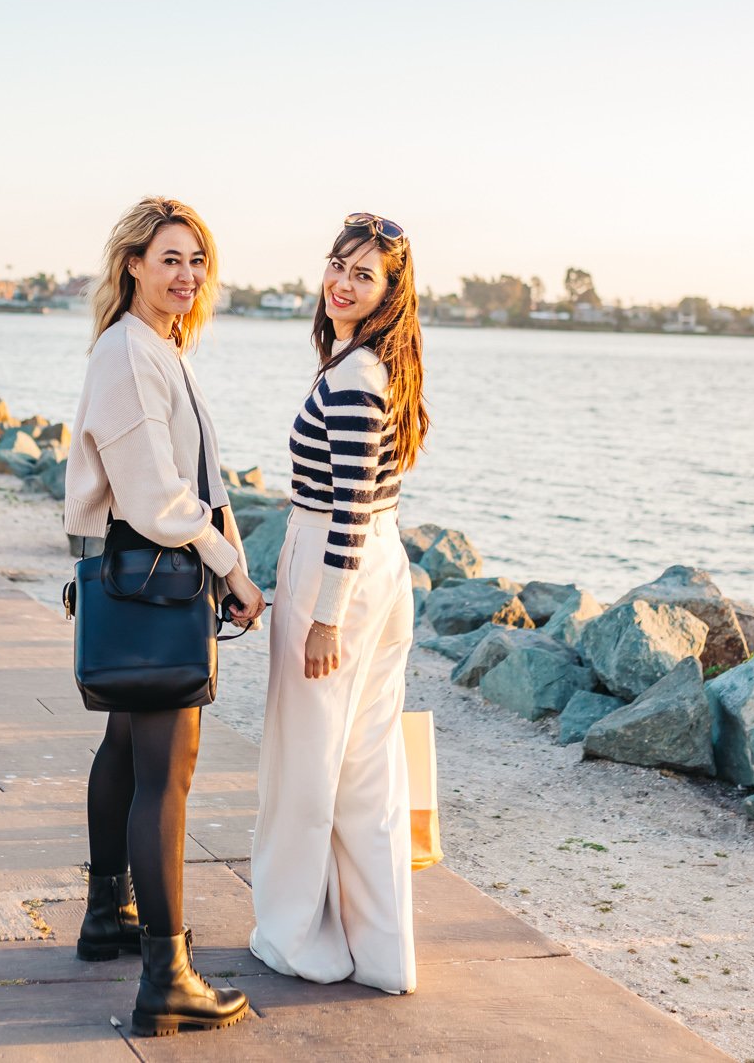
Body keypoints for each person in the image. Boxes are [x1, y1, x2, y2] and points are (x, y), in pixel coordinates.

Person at [63, 196, 265, 1036]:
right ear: (133, 265)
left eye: (197, 262)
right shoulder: (127, 353)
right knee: (166, 770)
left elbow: (182, 482)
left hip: (136, 575)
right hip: (152, 575)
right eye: (170, 258)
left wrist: (228, 556)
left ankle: (108, 913)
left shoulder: (153, 349)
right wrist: (230, 570)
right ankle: (167, 974)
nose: (186, 275)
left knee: (125, 744)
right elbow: (155, 497)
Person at [249, 211, 429, 996]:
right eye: (337, 265)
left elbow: (351, 503)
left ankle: (300, 937)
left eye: (363, 274)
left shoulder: (356, 377)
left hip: (338, 569)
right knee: (364, 772)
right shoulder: (369, 365)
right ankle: (381, 952)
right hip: (372, 570)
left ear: (389, 294)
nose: (342, 283)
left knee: (309, 765)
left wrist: (324, 616)